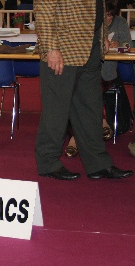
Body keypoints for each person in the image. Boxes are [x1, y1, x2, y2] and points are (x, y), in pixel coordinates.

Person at [33, 0, 133, 180]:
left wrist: (101, 36)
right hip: (63, 48)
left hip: (91, 47)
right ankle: (48, 162)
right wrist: (50, 48)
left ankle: (98, 164)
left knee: (91, 109)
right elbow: (44, 9)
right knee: (56, 110)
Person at [64, 0, 132, 158]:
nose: (108, 18)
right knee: (83, 88)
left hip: (107, 76)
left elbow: (128, 44)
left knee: (87, 90)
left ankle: (78, 136)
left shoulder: (121, 23)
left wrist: (119, 43)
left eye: (110, 15)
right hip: (88, 73)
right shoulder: (89, 23)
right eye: (105, 14)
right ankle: (97, 124)